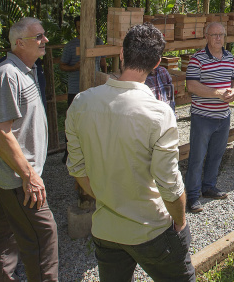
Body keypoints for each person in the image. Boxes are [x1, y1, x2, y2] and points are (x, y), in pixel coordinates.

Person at [66, 23, 195, 281]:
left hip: (105, 230)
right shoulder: (159, 114)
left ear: (122, 55)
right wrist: (180, 221)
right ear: (157, 63)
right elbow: (169, 184)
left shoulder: (81, 103)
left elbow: (77, 169)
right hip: (150, 229)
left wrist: (107, 196)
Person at [0, 17, 58, 281]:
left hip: (14, 177)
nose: (44, 40)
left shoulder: (27, 71)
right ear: (19, 43)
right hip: (16, 178)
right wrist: (29, 176)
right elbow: (0, 134)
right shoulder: (6, 76)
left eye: (43, 35)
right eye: (39, 36)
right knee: (43, 235)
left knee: (5, 233)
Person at [184, 22, 234, 214]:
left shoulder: (229, 56)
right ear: (206, 36)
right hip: (203, 117)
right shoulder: (197, 59)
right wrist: (217, 93)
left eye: (221, 35)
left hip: (223, 116)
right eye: (215, 35)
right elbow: (191, 86)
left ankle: (208, 187)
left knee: (217, 155)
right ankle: (192, 196)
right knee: (197, 158)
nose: (219, 38)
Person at [59, 15, 106, 104]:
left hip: (95, 87)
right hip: (75, 89)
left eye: (83, 26)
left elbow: (103, 63)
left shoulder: (98, 42)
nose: (81, 29)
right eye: (79, 27)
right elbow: (62, 66)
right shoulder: (70, 46)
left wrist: (104, 82)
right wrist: (74, 68)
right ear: (76, 28)